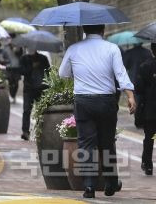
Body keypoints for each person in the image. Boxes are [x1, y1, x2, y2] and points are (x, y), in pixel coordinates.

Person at [59, 24, 136, 199]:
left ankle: (89, 186)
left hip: (83, 101)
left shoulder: (74, 49)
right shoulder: (112, 48)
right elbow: (121, 74)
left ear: (85, 31)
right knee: (107, 142)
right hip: (106, 101)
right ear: (102, 30)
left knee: (86, 144)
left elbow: (63, 73)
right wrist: (130, 96)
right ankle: (110, 183)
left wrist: (80, 72)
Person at [19, 50, 50, 140]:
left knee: (41, 111)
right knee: (26, 110)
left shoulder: (43, 58)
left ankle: (42, 131)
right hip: (28, 89)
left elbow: (48, 71)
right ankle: (25, 131)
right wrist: (31, 67)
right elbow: (22, 71)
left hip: (41, 88)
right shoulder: (24, 58)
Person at [135, 42, 156, 176]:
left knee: (149, 137)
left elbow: (139, 89)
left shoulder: (144, 67)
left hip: (150, 110)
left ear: (152, 50)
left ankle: (147, 164)